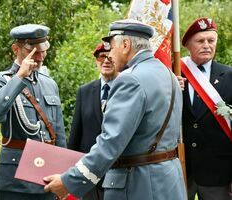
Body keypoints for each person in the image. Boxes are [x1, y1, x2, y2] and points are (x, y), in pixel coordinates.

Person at [43, 19, 187, 200]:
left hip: (137, 186)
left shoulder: (130, 80)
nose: (109, 55)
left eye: (111, 48)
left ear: (125, 45)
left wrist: (69, 182)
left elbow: (110, 142)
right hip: (168, 181)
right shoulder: (169, 76)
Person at [0, 24, 66, 200]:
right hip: (15, 180)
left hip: (46, 177)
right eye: (34, 51)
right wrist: (18, 77)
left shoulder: (49, 84)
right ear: (16, 49)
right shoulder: (2, 80)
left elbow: (58, 133)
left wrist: (63, 173)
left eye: (43, 50)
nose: (41, 56)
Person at [180, 17, 232, 200]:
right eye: (200, 41)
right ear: (187, 45)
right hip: (180, 169)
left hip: (219, 172)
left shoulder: (229, 75)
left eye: (211, 41)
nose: (206, 45)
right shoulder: (171, 74)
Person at [68, 42, 118, 200]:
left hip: (118, 173)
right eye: (101, 57)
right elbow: (76, 134)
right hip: (89, 175)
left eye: (111, 57)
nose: (106, 60)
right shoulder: (85, 91)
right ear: (96, 61)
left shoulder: (128, 90)